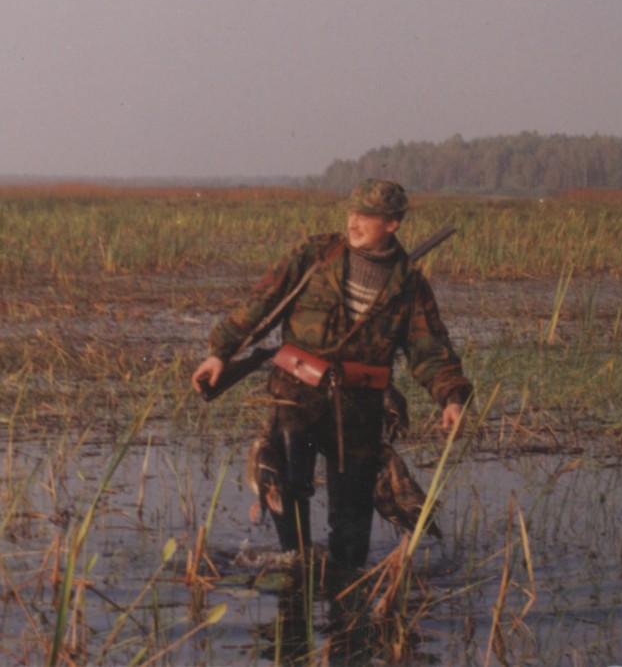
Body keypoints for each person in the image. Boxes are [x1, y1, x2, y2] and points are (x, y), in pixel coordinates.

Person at [191, 179, 472, 576]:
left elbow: (430, 348)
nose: (354, 222)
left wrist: (451, 398)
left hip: (360, 406)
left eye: (366, 216)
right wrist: (220, 353)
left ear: (391, 224)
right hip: (297, 393)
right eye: (352, 213)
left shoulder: (409, 283)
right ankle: (295, 578)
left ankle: (344, 601)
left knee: (352, 522)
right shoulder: (315, 254)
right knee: (288, 486)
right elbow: (260, 302)